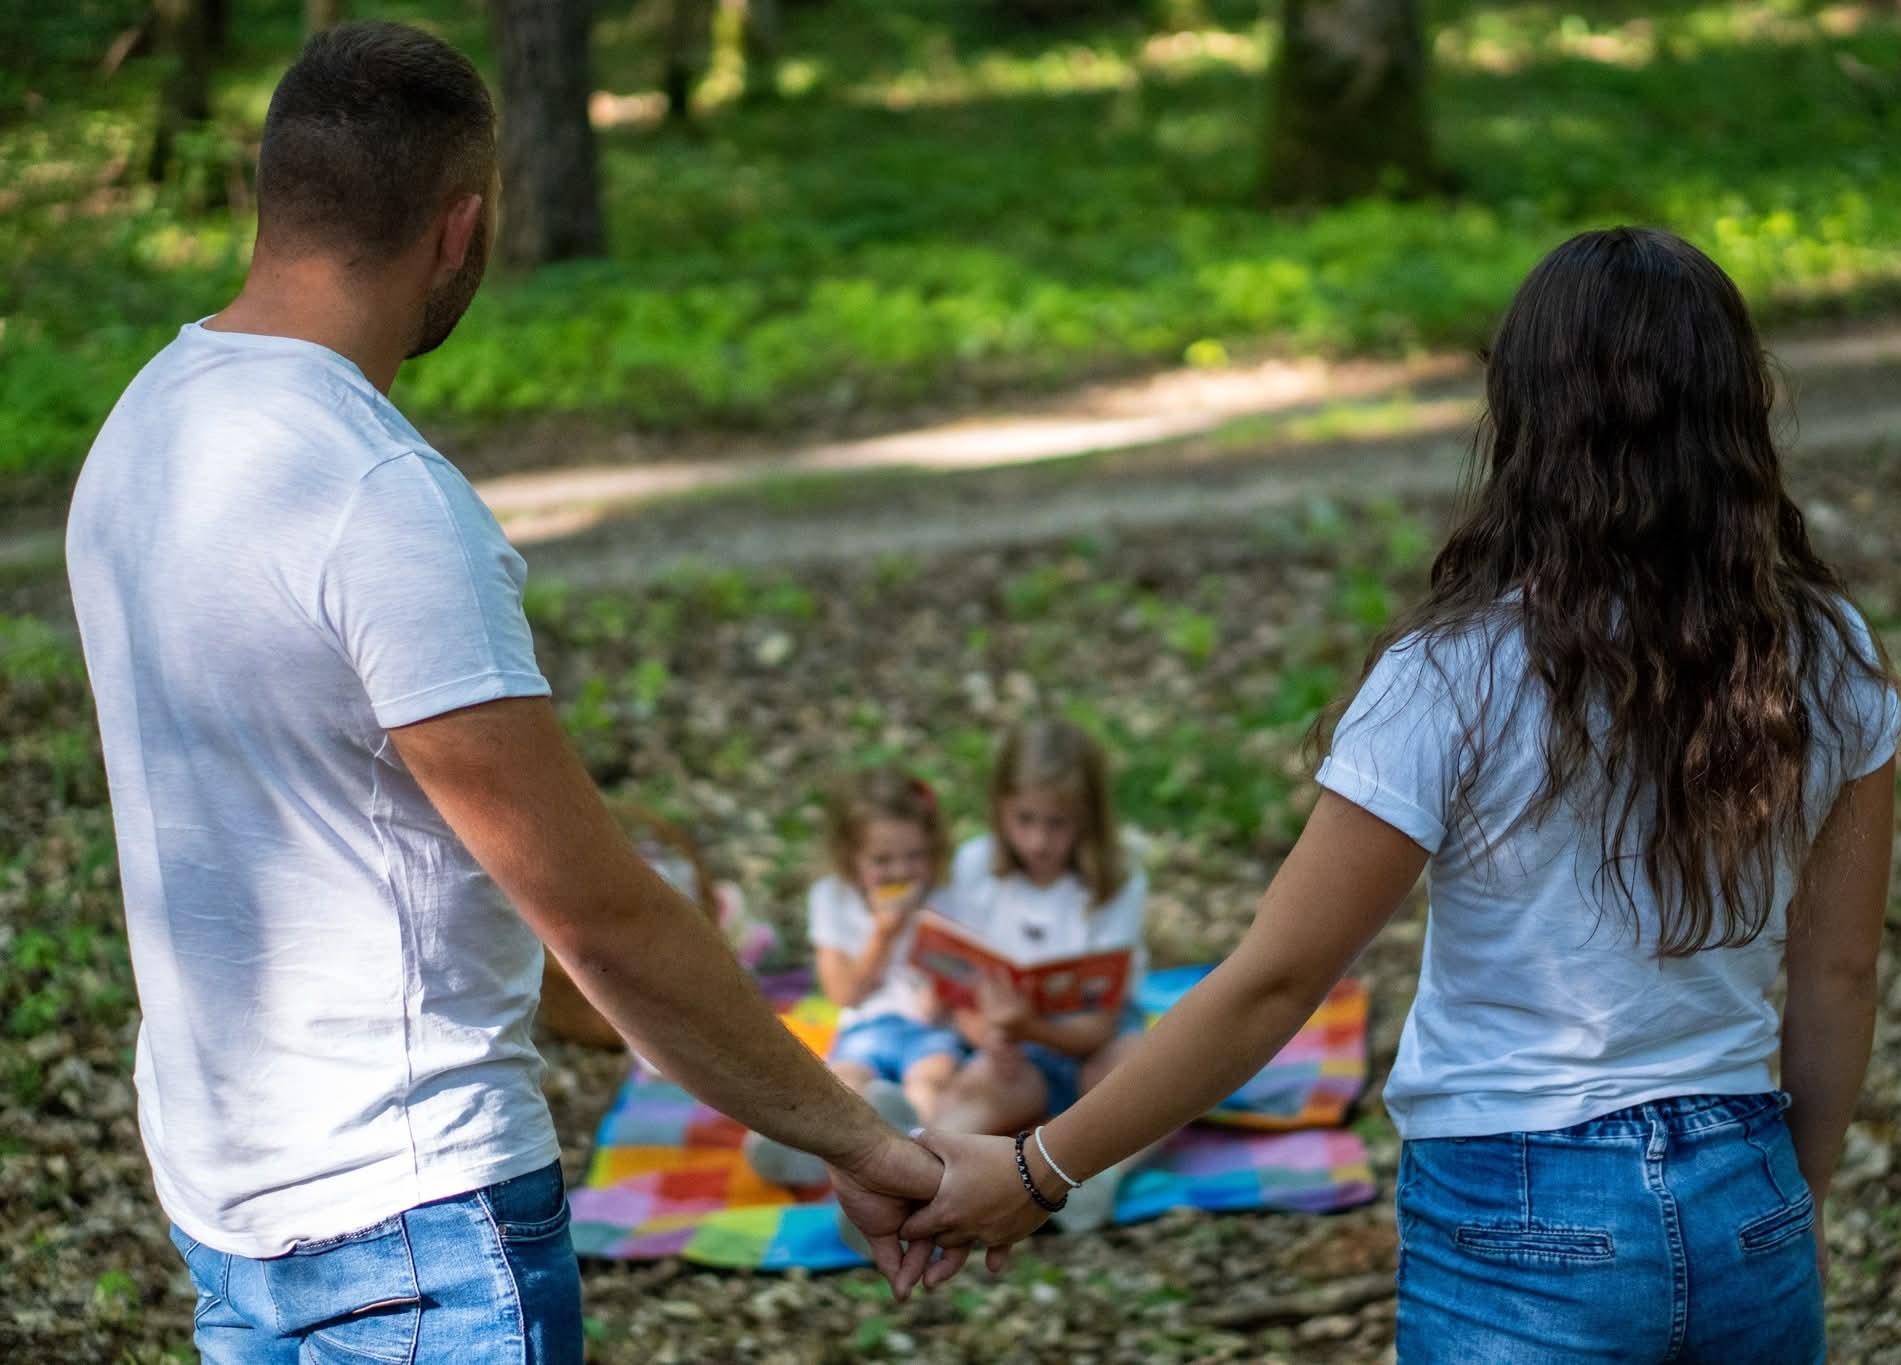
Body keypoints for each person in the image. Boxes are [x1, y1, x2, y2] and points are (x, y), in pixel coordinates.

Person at [64, 23, 937, 1363]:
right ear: (460, 229)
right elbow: (595, 912)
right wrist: (861, 1141)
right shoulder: (379, 498)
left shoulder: (140, 430)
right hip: (413, 1226)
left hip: (223, 1197)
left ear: (271, 198)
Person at [905, 226, 1901, 1365]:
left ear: (1526, 423)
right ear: (1737, 415)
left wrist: (1038, 1170)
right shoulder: (1826, 652)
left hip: (1521, 1209)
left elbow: (1275, 981)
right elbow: (1839, 975)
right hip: (1747, 1192)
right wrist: (1791, 1206)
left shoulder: (1455, 675)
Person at [927, 717, 1153, 1233]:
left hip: (1095, 1047)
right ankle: (916, 1178)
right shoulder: (977, 865)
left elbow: (1099, 1026)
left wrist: (1027, 1025)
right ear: (1000, 809)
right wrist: (989, 1034)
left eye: (1058, 824)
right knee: (977, 1088)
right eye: (1024, 820)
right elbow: (960, 989)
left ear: (1088, 819)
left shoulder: (1117, 881)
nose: (1038, 840)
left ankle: (1097, 1177)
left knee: (1161, 1074)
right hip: (1014, 1054)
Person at [745, 767, 964, 1186]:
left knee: (932, 1080)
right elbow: (843, 993)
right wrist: (884, 934)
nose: (900, 871)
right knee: (842, 1083)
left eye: (914, 856)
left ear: (932, 850)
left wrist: (943, 991)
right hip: (866, 1026)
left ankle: (911, 1148)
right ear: (851, 858)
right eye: (882, 860)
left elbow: (957, 980)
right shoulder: (832, 898)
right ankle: (808, 1155)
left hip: (927, 1030)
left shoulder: (946, 895)